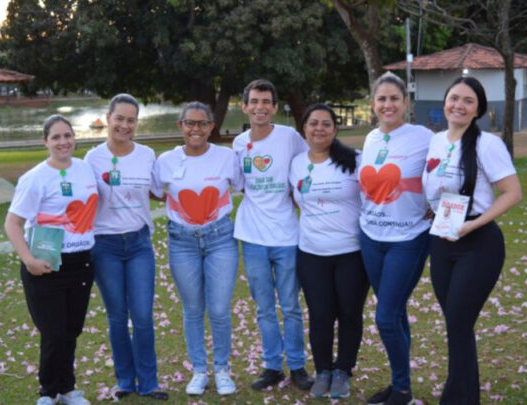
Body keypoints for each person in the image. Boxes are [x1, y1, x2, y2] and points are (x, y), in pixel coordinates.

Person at [422, 77, 522, 404]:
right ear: (445, 101)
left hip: (477, 242)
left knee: (459, 321)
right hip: (442, 238)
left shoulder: (487, 144)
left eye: (468, 101)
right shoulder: (436, 141)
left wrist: (474, 224)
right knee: (455, 324)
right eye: (454, 98)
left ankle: (457, 398)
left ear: (478, 109)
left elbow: (513, 193)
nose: (459, 106)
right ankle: (464, 396)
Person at [4, 115, 97, 405]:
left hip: (81, 263)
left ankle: (67, 390)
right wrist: (29, 260)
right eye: (56, 137)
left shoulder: (85, 170)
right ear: (45, 141)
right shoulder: (34, 178)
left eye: (67, 135)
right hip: (46, 265)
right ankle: (48, 392)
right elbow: (12, 224)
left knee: (71, 331)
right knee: (53, 333)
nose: (63, 142)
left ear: (74, 138)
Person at [151, 102, 242, 396]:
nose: (196, 129)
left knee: (218, 309)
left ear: (211, 127)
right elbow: (155, 192)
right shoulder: (165, 160)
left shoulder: (227, 157)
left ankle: (222, 369)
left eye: (202, 124)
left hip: (220, 239)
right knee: (192, 309)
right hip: (182, 242)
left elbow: (239, 186)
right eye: (190, 123)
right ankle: (199, 370)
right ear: (180, 126)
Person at [83, 94, 167, 401]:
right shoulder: (91, 159)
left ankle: (148, 382)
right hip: (104, 245)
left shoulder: (147, 154)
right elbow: (80, 200)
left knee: (143, 316)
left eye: (131, 120)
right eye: (119, 118)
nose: (125, 125)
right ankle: (124, 382)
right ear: (108, 118)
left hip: (138, 243)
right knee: (117, 317)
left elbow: (160, 191)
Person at [232, 79, 313, 391]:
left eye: (266, 102)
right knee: (264, 307)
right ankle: (271, 366)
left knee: (291, 305)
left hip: (287, 236)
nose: (260, 107)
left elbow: (308, 167)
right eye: (254, 101)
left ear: (275, 107)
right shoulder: (239, 144)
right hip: (252, 237)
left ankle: (297, 366)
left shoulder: (290, 137)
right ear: (244, 106)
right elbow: (238, 184)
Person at [359, 72, 433, 405]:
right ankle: (399, 382)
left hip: (408, 239)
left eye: (394, 98)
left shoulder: (424, 136)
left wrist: (440, 205)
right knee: (396, 312)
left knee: (385, 316)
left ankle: (402, 390)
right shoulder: (371, 138)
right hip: (371, 237)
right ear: (373, 104)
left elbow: (447, 171)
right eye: (381, 99)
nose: (388, 104)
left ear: (405, 103)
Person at [290, 104, 370, 399]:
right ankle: (323, 371)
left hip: (352, 251)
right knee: (321, 314)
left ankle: (343, 371)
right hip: (311, 252)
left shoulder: (356, 161)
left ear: (335, 130)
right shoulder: (296, 163)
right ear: (304, 129)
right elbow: (295, 199)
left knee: (350, 312)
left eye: (326, 124)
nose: (319, 129)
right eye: (313, 124)